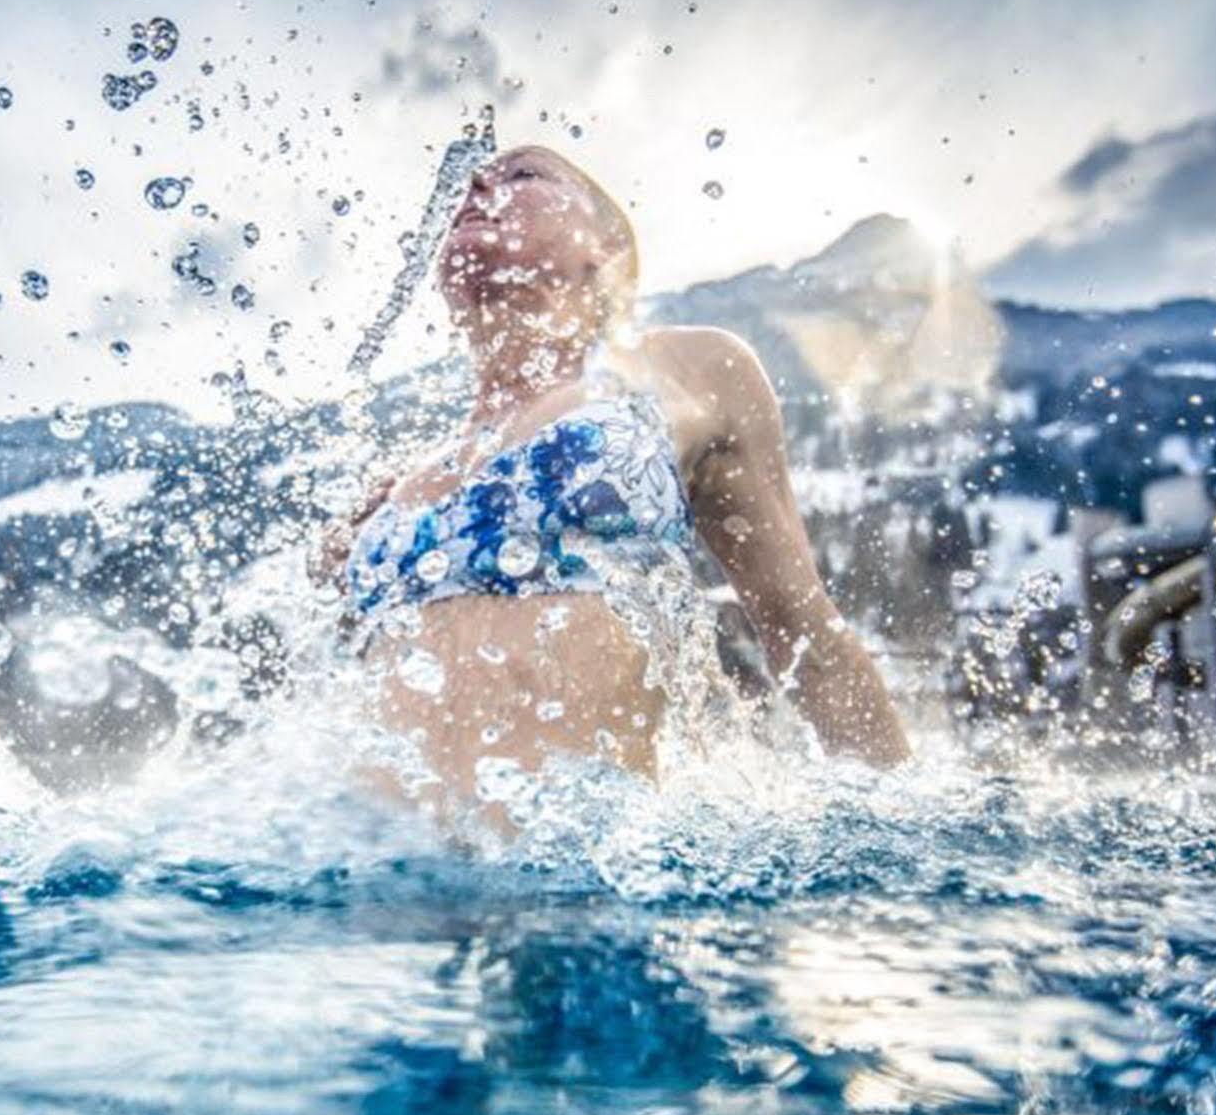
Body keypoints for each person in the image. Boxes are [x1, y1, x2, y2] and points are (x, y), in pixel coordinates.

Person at [317, 145, 908, 822]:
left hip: (584, 882)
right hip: (375, 887)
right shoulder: (414, 473)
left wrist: (907, 867)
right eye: (470, 183)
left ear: (605, 248)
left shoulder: (687, 369)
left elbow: (806, 636)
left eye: (523, 174)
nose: (477, 183)